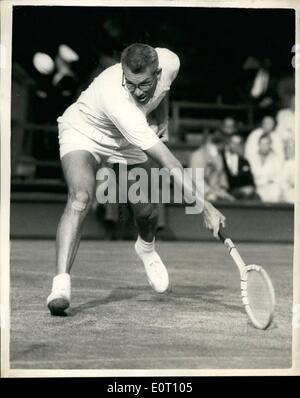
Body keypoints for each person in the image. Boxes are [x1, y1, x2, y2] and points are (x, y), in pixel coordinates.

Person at [47, 43, 226, 316]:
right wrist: (206, 207)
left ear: (158, 72)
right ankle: (60, 285)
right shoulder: (117, 98)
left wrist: (162, 114)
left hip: (129, 139)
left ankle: (146, 248)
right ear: (122, 73)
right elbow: (171, 163)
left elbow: (164, 89)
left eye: (144, 84)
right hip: (83, 131)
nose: (138, 92)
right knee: (80, 197)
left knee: (147, 211)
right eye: (130, 84)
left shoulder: (170, 62)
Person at [221, 134, 258, 200]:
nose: (235, 146)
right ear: (229, 143)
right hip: (228, 190)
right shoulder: (220, 158)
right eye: (234, 143)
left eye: (238, 143)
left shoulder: (244, 161)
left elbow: (250, 180)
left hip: (244, 192)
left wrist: (250, 187)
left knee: (256, 197)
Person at [248, 133, 282, 202]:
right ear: (258, 144)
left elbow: (278, 177)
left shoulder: (276, 159)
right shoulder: (251, 158)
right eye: (261, 143)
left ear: (270, 145)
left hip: (271, 190)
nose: (263, 146)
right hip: (255, 189)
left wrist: (266, 181)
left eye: (266, 144)